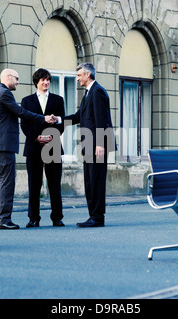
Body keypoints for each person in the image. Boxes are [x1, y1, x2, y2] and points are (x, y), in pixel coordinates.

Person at [0, 68, 56, 229]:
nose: (18, 81)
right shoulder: (4, 94)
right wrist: (43, 118)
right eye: (16, 78)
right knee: (7, 182)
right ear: (8, 77)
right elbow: (21, 112)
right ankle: (5, 219)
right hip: (3, 144)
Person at [60, 62, 116, 227]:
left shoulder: (97, 91)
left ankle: (97, 218)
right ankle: (93, 216)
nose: (77, 79)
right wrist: (58, 120)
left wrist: (100, 143)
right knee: (90, 181)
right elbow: (79, 116)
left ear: (87, 75)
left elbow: (101, 119)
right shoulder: (88, 93)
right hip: (89, 144)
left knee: (96, 181)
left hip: (97, 146)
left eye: (79, 75)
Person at [21, 68, 65, 228]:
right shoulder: (27, 101)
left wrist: (51, 137)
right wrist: (36, 137)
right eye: (43, 80)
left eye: (48, 80)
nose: (46, 83)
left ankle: (57, 218)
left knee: (55, 184)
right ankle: (33, 218)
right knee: (34, 184)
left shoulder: (58, 100)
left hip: (53, 146)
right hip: (33, 147)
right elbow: (24, 124)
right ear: (36, 82)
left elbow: (61, 124)